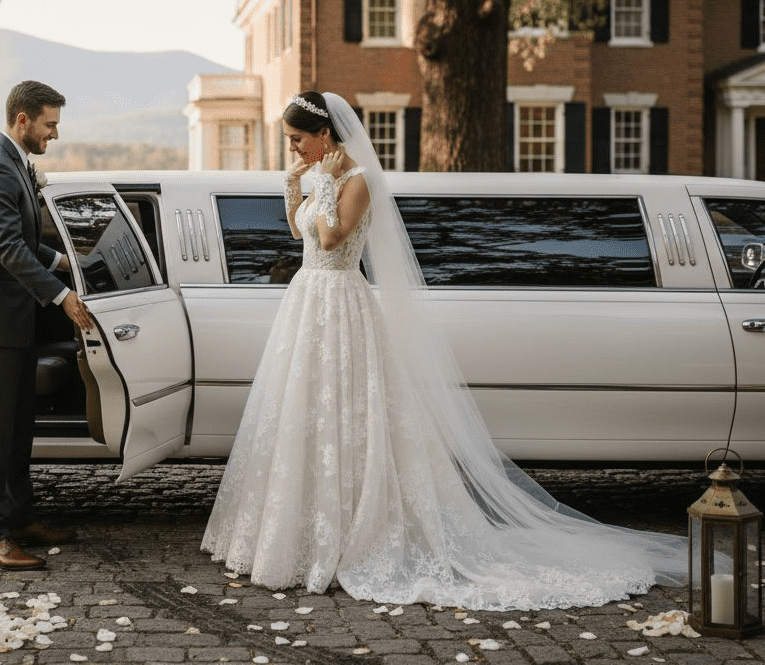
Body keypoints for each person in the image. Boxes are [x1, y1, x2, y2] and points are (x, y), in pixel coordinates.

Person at [201, 91, 689, 608]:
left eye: (298, 140)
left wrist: (319, 183)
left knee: (350, 414)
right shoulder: (319, 176)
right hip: (306, 305)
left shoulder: (358, 180)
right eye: (290, 142)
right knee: (307, 413)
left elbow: (328, 238)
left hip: (341, 301)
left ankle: (351, 534)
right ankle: (297, 533)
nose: (294, 149)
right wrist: (296, 185)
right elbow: (299, 227)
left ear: (325, 134)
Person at [0, 80, 94, 571]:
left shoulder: (11, 164)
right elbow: (6, 249)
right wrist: (62, 295)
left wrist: (66, 262)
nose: (55, 134)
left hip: (12, 318)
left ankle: (20, 516)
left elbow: (23, 242)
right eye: (50, 124)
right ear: (23, 120)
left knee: (18, 427)